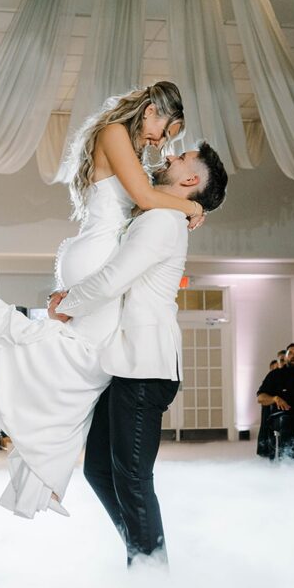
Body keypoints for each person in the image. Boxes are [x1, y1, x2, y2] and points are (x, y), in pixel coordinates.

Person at [0, 82, 204, 519]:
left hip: (93, 255)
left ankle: (43, 460)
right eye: (162, 131)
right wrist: (191, 208)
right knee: (79, 365)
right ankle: (31, 427)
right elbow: (142, 198)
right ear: (151, 110)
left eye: (168, 141)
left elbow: (144, 203)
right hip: (97, 256)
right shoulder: (115, 132)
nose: (160, 143)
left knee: (88, 370)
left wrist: (178, 205)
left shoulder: (125, 144)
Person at [51, 142, 229, 565]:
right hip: (125, 363)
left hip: (145, 368)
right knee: (98, 469)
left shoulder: (165, 220)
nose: (168, 156)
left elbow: (114, 279)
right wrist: (192, 208)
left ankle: (150, 572)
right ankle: (143, 552)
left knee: (132, 479)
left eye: (180, 158)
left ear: (190, 181)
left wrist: (67, 305)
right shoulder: (164, 213)